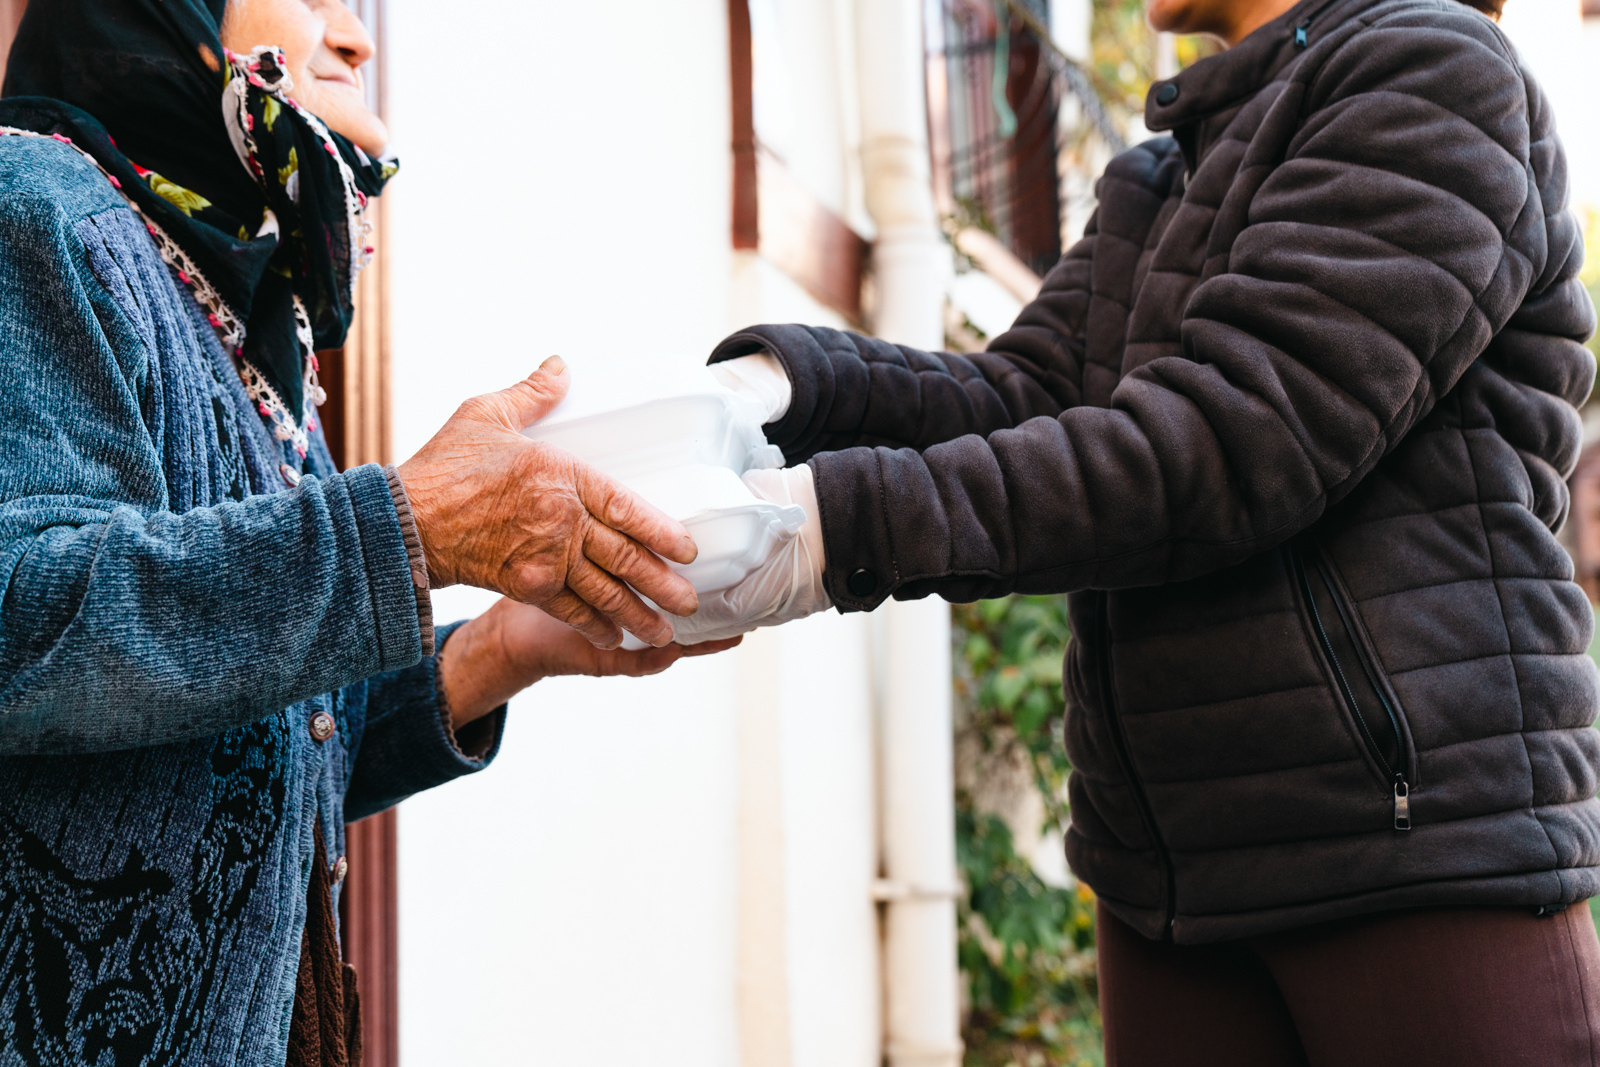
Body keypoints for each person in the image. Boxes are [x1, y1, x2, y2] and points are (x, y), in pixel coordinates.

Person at [689, 0, 1600, 1060]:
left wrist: (824, 529)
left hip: (1409, 860)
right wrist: (782, 389)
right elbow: (1026, 397)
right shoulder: (1158, 180)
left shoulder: (1433, 73)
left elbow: (1234, 438)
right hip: (1168, 881)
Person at [0, 0, 738, 1062]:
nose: (358, 36)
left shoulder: (231, 304)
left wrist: (497, 649)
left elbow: (236, 752)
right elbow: (22, 618)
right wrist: (405, 530)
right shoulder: (32, 209)